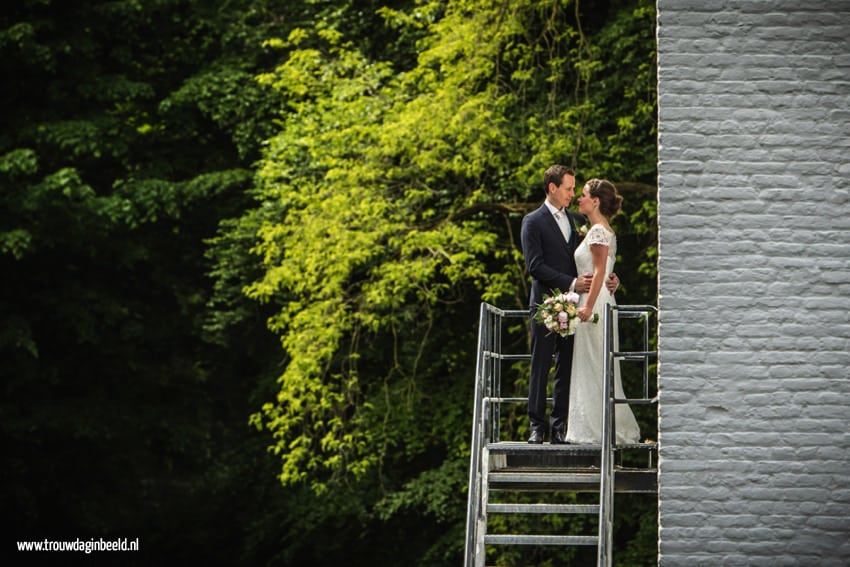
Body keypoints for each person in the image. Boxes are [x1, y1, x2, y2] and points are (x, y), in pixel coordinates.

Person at [521, 165, 619, 444]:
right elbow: (535, 265)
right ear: (552, 188)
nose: (572, 194)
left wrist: (612, 276)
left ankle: (560, 425)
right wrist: (572, 283)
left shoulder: (579, 220)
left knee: (567, 366)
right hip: (545, 304)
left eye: (575, 189)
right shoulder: (532, 221)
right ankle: (536, 425)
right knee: (540, 365)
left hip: (576, 306)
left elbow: (597, 256)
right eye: (568, 188)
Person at [566, 178, 641, 445]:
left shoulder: (598, 231)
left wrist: (586, 305)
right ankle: (595, 426)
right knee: (594, 362)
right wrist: (613, 281)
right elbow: (607, 271)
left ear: (595, 201)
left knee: (596, 362)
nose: (579, 199)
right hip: (600, 298)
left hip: (594, 302)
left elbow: (599, 271)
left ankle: (597, 429)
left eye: (583, 195)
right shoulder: (602, 230)